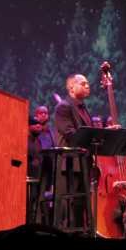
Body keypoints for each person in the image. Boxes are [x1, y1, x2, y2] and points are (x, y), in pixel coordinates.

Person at [51, 74, 94, 230]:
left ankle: (80, 233)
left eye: (88, 83)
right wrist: (94, 136)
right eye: (83, 83)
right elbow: (70, 133)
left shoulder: (83, 108)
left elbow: (88, 132)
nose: (87, 86)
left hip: (83, 162)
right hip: (69, 163)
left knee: (80, 206)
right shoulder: (64, 107)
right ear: (71, 88)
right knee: (69, 206)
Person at [27, 105, 54, 222]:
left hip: (45, 172)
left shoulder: (50, 132)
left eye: (46, 113)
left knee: (41, 200)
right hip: (33, 173)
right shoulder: (31, 138)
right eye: (41, 113)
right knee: (32, 200)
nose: (43, 115)